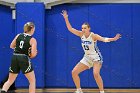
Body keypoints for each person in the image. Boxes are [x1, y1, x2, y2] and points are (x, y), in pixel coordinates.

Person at [61, 10, 121, 93]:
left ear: (89, 28)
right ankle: (79, 90)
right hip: (87, 57)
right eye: (82, 28)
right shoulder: (80, 34)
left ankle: (102, 91)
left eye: (85, 28)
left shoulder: (93, 36)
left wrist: (113, 39)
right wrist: (66, 18)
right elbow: (70, 29)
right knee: (74, 72)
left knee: (95, 74)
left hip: (96, 57)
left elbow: (104, 39)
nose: (83, 29)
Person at [1, 22, 37, 93]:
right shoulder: (32, 40)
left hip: (15, 57)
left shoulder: (18, 35)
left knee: (10, 80)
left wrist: (20, 49)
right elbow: (32, 55)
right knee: (32, 81)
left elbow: (11, 46)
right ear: (32, 29)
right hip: (24, 58)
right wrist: (34, 53)